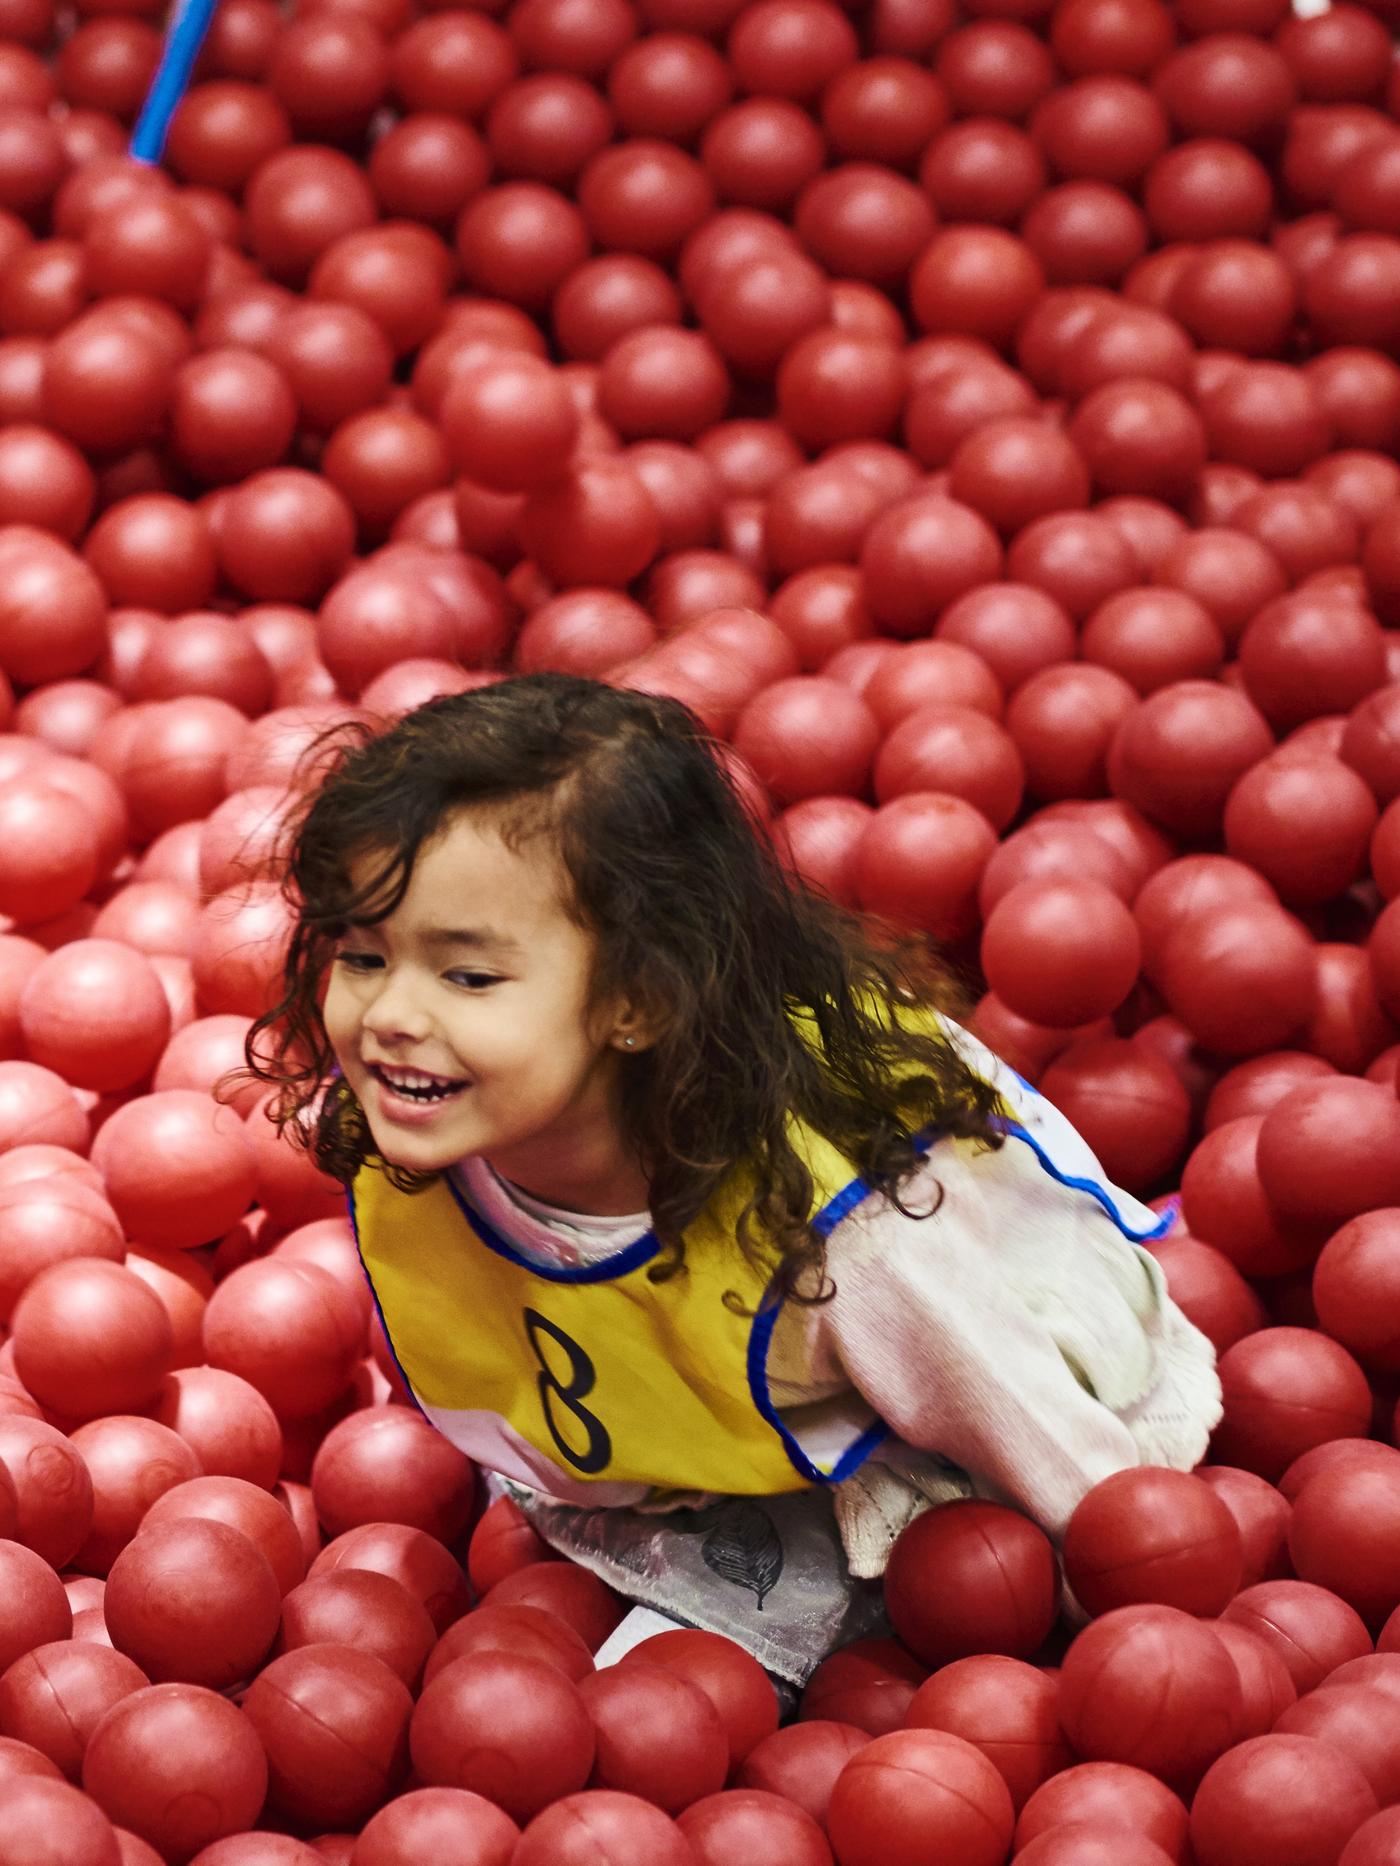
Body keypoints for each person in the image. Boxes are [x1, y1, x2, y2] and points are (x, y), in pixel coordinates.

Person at [249, 673, 1222, 1685]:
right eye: (362, 956)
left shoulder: (846, 1239)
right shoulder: (426, 1110)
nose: (391, 1014)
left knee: (670, 1689)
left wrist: (1115, 1595)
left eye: (467, 976)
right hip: (714, 1414)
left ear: (636, 1000)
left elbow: (1018, 1410)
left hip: (965, 1378)